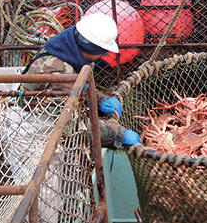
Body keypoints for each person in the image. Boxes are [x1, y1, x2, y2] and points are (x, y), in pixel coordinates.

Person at [21, 12, 141, 148]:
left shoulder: (66, 46)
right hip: (35, 130)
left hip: (50, 114)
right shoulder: (60, 71)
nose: (105, 54)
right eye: (103, 51)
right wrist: (118, 134)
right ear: (91, 48)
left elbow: (77, 88)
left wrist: (99, 100)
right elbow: (71, 126)